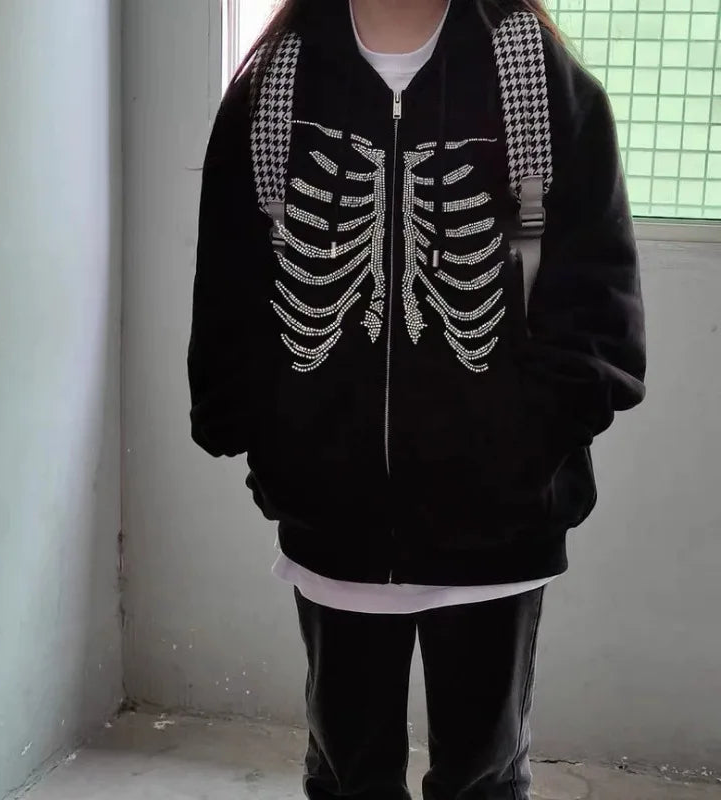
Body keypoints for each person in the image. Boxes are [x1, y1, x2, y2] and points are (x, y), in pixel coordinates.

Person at [188, 0, 646, 797]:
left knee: (483, 778)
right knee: (348, 774)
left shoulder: (540, 85)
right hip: (333, 528)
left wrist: (525, 452)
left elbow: (600, 308)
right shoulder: (272, 89)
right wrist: (281, 447)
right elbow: (231, 292)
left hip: (500, 535)